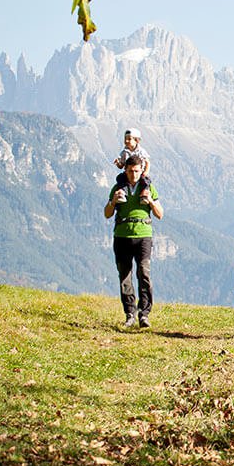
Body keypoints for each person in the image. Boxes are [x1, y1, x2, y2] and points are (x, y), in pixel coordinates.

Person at [104, 152, 163, 328]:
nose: (134, 174)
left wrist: (151, 202)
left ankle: (144, 314)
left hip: (143, 235)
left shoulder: (148, 188)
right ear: (126, 171)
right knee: (125, 275)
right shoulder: (117, 188)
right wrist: (113, 202)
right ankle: (130, 313)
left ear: (141, 170)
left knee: (144, 273)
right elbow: (107, 214)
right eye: (130, 171)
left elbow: (160, 214)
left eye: (137, 171)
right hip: (122, 235)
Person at [114, 128, 151, 198]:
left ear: (136, 140)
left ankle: (144, 194)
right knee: (120, 178)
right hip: (128, 173)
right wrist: (118, 163)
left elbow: (147, 162)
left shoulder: (141, 151)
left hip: (140, 173)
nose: (126, 141)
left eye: (129, 139)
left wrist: (145, 172)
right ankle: (122, 193)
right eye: (125, 139)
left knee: (146, 181)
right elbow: (121, 166)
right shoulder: (124, 152)